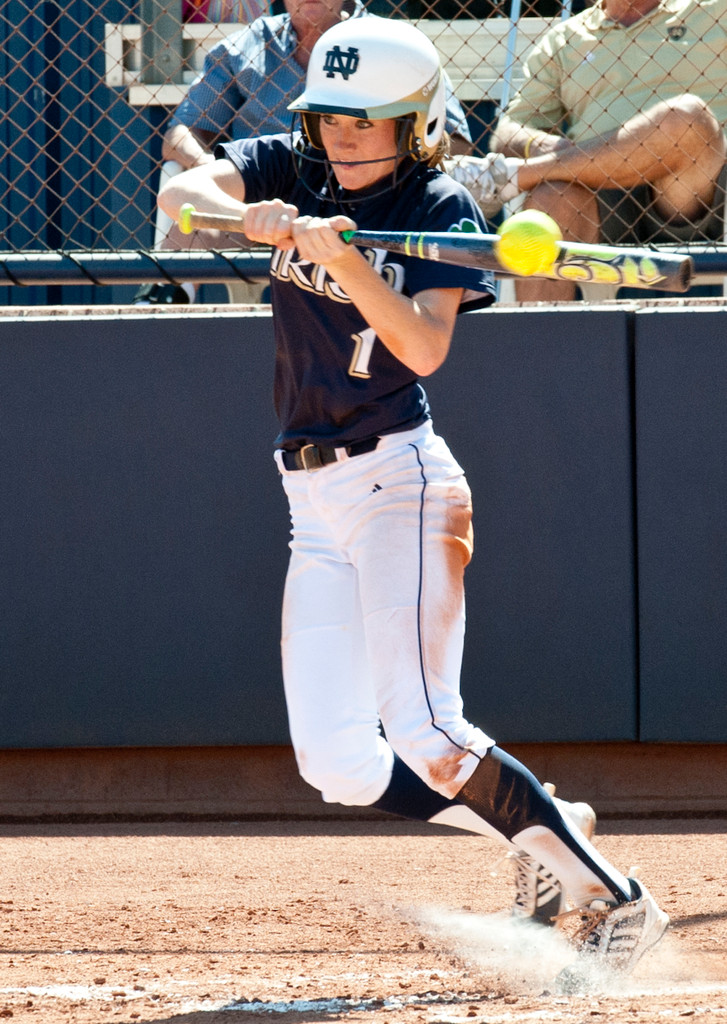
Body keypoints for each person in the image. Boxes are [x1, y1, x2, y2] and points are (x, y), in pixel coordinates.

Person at [158, 14, 669, 991]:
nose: (343, 141)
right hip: (312, 497)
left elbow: (424, 348)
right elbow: (184, 191)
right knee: (341, 764)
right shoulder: (292, 168)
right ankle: (535, 823)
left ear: (415, 124)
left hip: (401, 485)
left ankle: (616, 901)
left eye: (367, 124)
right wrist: (244, 212)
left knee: (428, 731)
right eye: (330, 123)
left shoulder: (438, 207)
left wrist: (347, 261)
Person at [137, 0, 473, 304]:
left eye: (360, 122)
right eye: (327, 118)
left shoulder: (391, 44)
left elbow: (451, 136)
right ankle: (155, 314)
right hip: (267, 194)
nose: (341, 135)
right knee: (195, 223)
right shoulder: (247, 46)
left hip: (367, 206)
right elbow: (182, 132)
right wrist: (233, 189)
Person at [445, 0, 727, 301]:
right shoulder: (566, 38)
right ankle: (537, 343)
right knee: (549, 200)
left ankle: (516, 176)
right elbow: (509, 131)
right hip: (598, 190)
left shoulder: (712, 10)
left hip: (697, 188)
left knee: (685, 118)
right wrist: (562, 151)